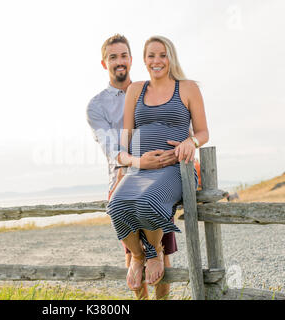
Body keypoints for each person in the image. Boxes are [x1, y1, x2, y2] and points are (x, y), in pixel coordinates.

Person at [108, 35, 209, 295]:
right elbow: (124, 141)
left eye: (162, 55)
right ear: (143, 60)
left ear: (171, 57)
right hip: (140, 168)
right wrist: (131, 164)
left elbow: (203, 132)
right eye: (151, 55)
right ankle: (139, 256)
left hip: (174, 169)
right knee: (116, 205)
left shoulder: (187, 88)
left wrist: (191, 143)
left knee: (147, 203)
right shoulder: (135, 90)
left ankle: (154, 252)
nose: (157, 60)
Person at [86, 34, 181, 300]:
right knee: (134, 258)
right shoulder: (96, 106)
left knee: (162, 255)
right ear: (105, 63)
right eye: (113, 57)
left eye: (123, 55)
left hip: (155, 179)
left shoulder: (149, 92)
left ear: (131, 59)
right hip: (121, 182)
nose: (119, 61)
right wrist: (135, 164)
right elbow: (111, 149)